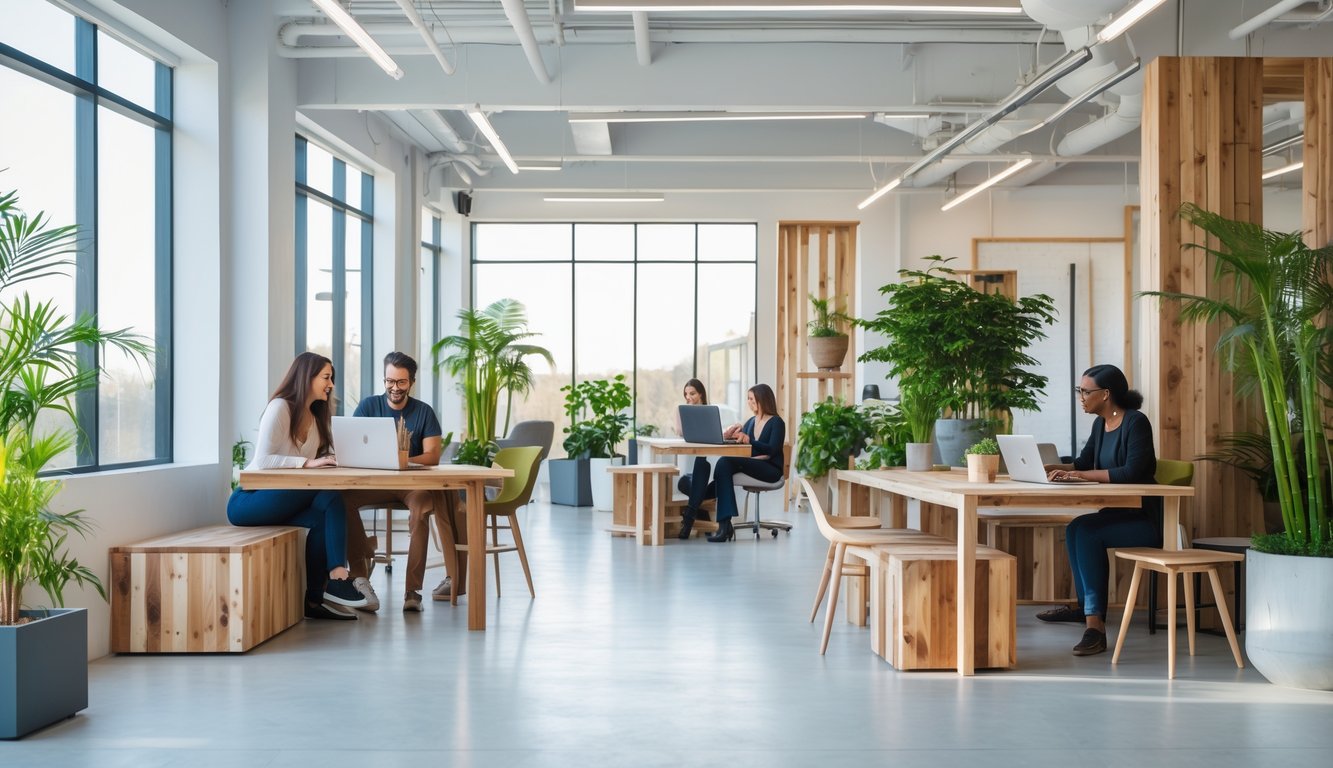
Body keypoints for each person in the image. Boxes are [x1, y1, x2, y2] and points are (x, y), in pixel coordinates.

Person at [227, 352, 369, 620]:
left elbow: (324, 458)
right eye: (326, 377)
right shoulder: (280, 407)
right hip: (250, 501)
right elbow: (263, 460)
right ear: (307, 377)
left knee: (323, 515)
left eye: (332, 378)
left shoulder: (316, 419)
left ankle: (316, 600)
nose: (331, 384)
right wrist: (307, 463)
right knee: (327, 495)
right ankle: (339, 578)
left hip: (285, 499)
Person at [1036, 364, 1160, 656]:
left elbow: (1131, 472)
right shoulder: (1099, 424)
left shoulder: (1135, 422)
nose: (1081, 396)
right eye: (1079, 390)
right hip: (1120, 512)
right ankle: (1086, 608)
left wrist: (1078, 476)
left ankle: (1096, 628)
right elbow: (1082, 464)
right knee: (1076, 527)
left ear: (1105, 394)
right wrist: (1051, 468)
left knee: (1089, 532)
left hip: (1149, 519)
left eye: (1085, 391)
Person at [339, 352, 447, 614]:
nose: (394, 388)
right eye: (390, 381)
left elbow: (433, 455)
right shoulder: (368, 406)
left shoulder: (423, 412)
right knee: (340, 500)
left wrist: (403, 460)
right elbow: (351, 445)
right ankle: (361, 579)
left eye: (401, 382)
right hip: (373, 484)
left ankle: (413, 591)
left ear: (412, 382)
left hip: (412, 484)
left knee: (421, 510)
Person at [682, 383, 786, 544]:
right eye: (748, 399)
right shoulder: (751, 421)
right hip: (754, 465)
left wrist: (749, 440)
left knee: (724, 463)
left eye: (752, 399)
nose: (749, 402)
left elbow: (772, 450)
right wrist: (731, 437)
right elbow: (746, 446)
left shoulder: (776, 422)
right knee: (724, 465)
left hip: (770, 469)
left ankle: (717, 519)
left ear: (763, 399)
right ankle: (724, 525)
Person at [675, 378, 715, 538]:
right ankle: (698, 514)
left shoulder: (709, 410)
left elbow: (712, 432)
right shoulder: (681, 409)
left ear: (701, 394)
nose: (688, 397)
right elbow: (679, 431)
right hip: (690, 473)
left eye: (692, 393)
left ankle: (689, 518)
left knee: (703, 463)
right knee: (683, 482)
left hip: (707, 469)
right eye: (686, 394)